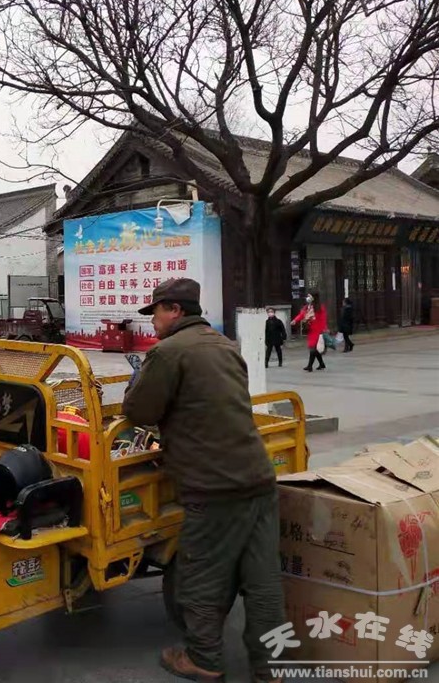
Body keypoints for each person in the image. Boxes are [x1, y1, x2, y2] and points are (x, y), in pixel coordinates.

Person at [123, 278, 283, 683]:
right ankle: (271, 668)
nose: (152, 321)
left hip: (213, 488)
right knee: (263, 582)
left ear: (175, 310)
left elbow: (139, 411)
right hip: (258, 478)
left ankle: (204, 659)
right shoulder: (225, 346)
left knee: (201, 578)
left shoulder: (168, 352)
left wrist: (140, 382)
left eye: (156, 312)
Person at [291, 292, 328, 372]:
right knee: (315, 348)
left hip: (318, 330)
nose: (308, 298)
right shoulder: (307, 307)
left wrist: (324, 329)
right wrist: (295, 320)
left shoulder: (320, 307)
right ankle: (321, 364)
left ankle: (310, 366)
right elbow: (301, 315)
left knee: (313, 348)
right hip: (310, 329)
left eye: (309, 296)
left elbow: (323, 319)